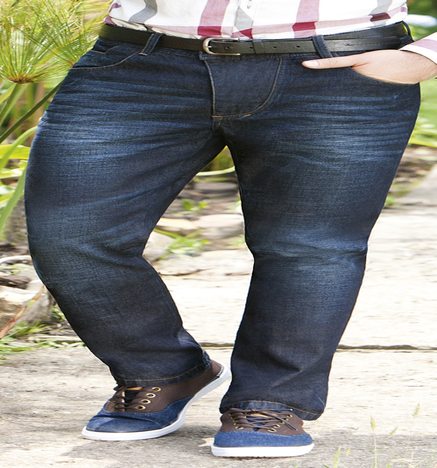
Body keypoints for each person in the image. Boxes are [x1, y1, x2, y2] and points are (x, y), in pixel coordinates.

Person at [24, 0, 437, 459]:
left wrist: (427, 56)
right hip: (140, 64)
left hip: (336, 70)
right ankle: (162, 371)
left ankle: (270, 401)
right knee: (70, 235)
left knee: (308, 248)